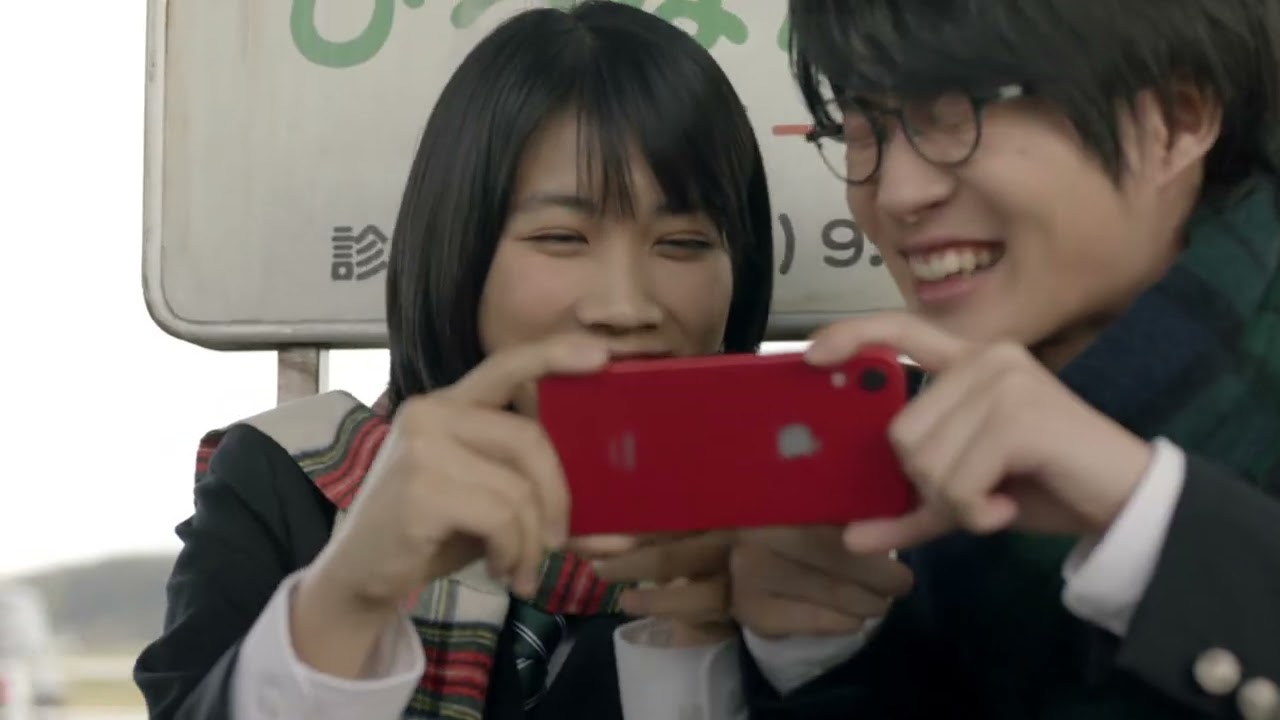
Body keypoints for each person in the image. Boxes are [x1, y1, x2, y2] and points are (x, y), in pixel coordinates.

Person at [129, 2, 828, 718]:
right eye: (562, 237)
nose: (626, 305)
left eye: (683, 243)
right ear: (461, 249)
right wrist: (348, 595)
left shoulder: (804, 540)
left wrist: (717, 644)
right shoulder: (287, 479)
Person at [597, 1, 1280, 718]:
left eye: (958, 116)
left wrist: (1144, 514)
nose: (897, 195)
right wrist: (818, 642)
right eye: (862, 131)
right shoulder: (931, 438)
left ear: (1174, 120)